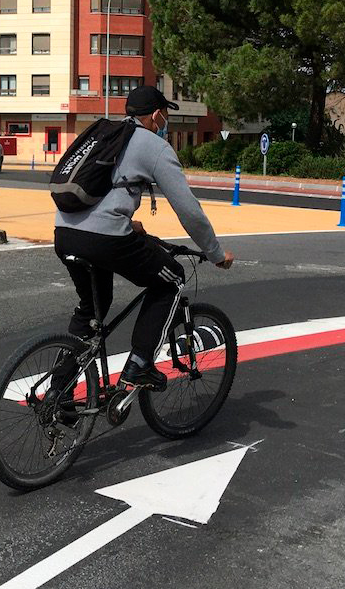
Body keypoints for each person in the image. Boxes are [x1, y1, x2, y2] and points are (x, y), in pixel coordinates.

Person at [53, 85, 234, 393]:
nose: (164, 123)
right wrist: (215, 252)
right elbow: (188, 210)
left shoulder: (106, 135)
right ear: (156, 115)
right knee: (171, 279)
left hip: (65, 233)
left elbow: (101, 187)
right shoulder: (154, 146)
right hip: (104, 239)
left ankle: (58, 394)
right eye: (164, 117)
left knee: (92, 308)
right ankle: (139, 365)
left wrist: (127, 221)